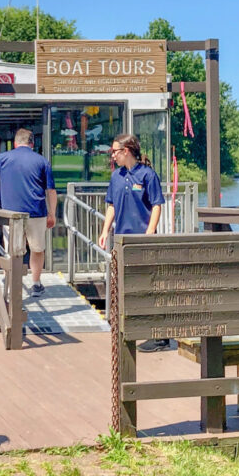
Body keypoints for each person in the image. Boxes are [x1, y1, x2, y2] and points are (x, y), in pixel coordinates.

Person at [97, 133, 169, 352]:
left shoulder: (147, 175)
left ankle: (160, 337)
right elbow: (111, 205)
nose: (113, 156)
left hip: (142, 241)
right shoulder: (116, 177)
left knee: (148, 287)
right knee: (124, 286)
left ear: (126, 151)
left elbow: (157, 205)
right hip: (121, 240)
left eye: (115, 152)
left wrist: (149, 232)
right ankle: (130, 328)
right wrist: (104, 230)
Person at [0, 128, 57, 297]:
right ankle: (36, 283)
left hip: (10, 216)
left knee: (12, 251)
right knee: (37, 249)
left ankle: (11, 287)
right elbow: (51, 191)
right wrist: (52, 213)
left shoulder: (3, 158)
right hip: (36, 212)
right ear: (32, 144)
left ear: (15, 143)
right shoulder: (42, 161)